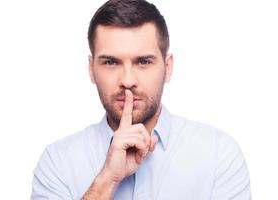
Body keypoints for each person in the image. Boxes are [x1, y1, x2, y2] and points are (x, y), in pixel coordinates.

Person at [30, 0, 251, 199]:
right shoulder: (57, 162)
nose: (127, 80)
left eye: (143, 62)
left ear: (168, 67)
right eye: (111, 62)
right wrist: (107, 180)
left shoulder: (218, 154)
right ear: (91, 69)